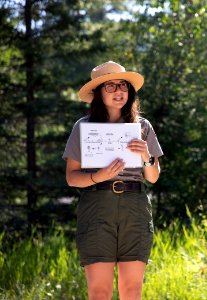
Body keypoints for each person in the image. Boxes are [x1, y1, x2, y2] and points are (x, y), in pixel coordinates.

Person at [62, 61, 163, 299]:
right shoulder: (83, 127)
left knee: (132, 290)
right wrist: (99, 176)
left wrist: (146, 156)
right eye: (110, 86)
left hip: (135, 207)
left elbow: (153, 177)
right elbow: (72, 178)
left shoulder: (142, 126)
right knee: (99, 291)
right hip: (97, 208)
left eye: (123, 86)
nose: (119, 91)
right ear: (98, 93)